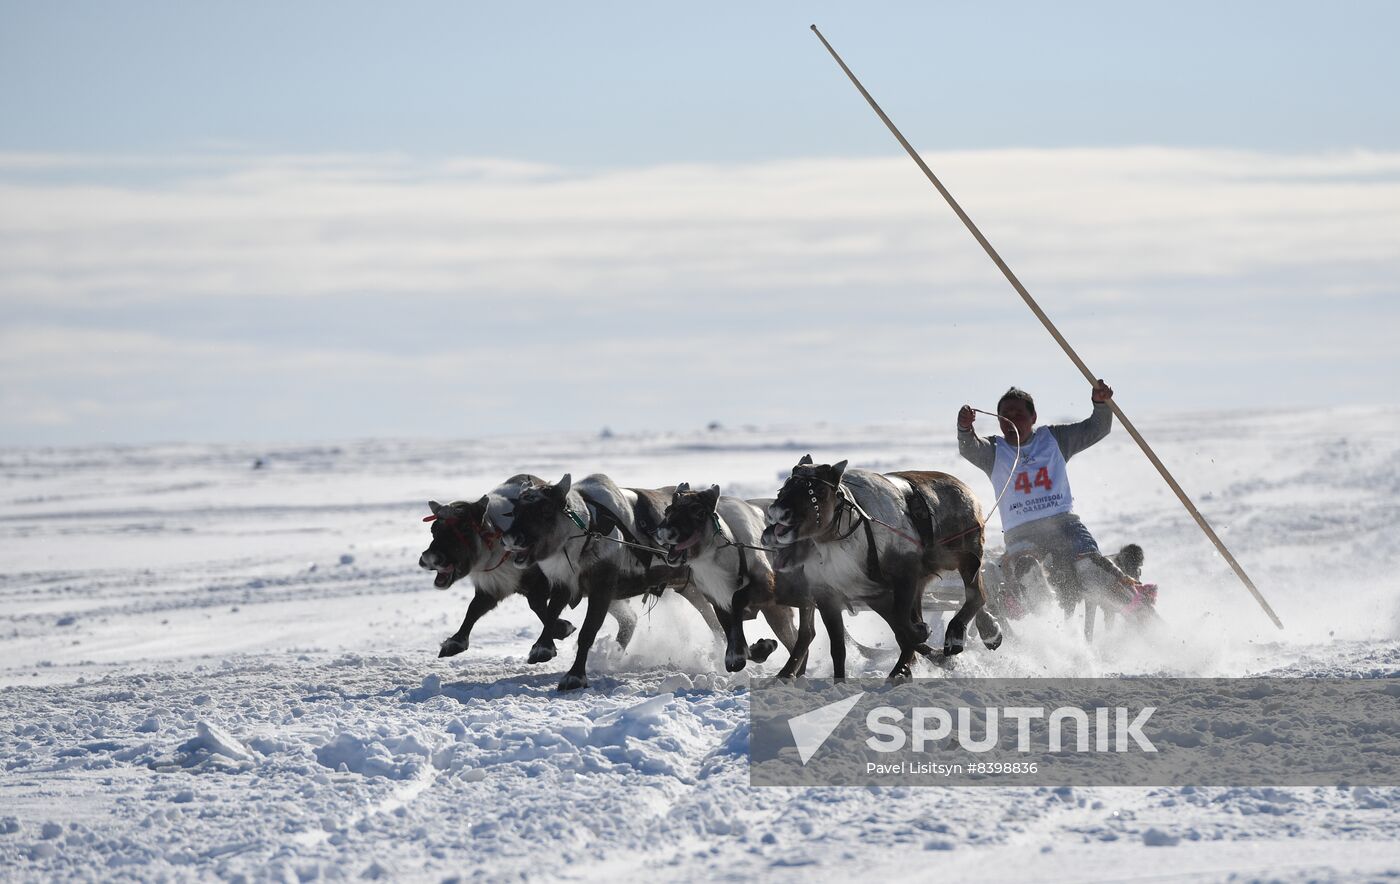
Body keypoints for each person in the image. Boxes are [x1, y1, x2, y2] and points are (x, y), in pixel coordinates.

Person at [956, 380, 1148, 636]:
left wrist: (1101, 403)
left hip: (1065, 525)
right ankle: (1054, 635)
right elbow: (969, 447)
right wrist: (965, 428)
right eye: (1005, 416)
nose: (1012, 420)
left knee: (1093, 570)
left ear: (1033, 417)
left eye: (1019, 414)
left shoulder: (1054, 439)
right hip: (1021, 534)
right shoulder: (993, 451)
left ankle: (1144, 618)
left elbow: (1098, 427)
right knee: (1027, 570)